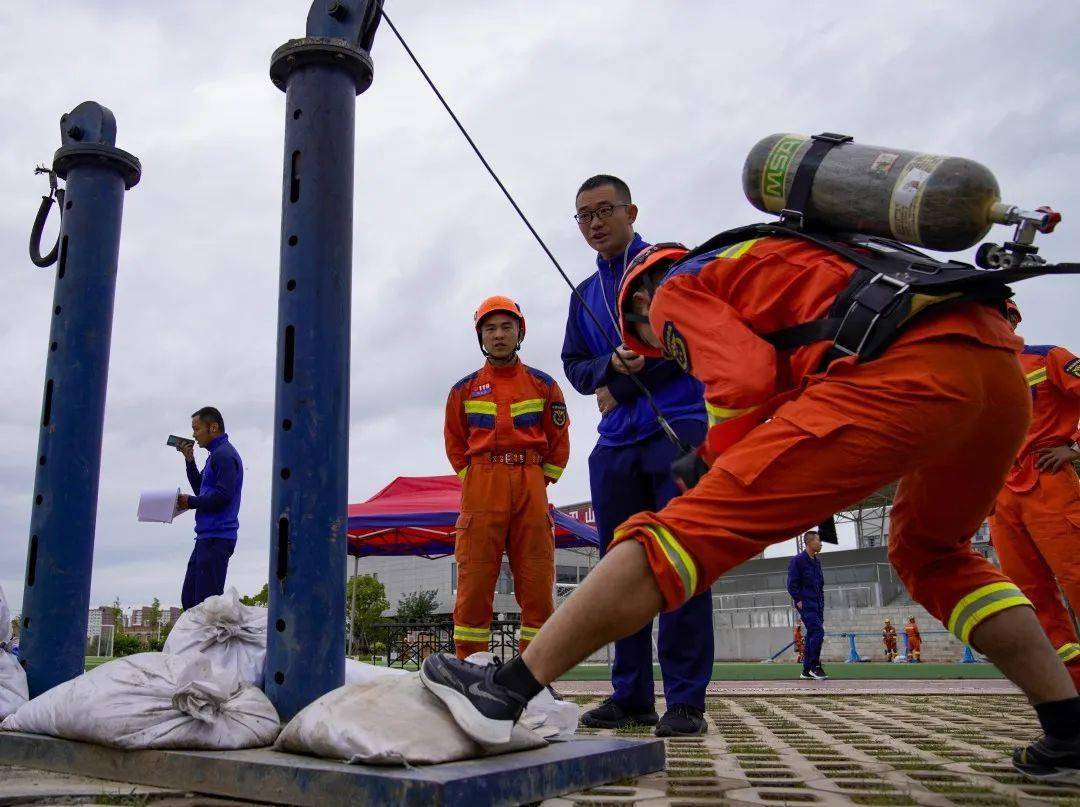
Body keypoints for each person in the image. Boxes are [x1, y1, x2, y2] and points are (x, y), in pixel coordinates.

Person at [420, 233, 1080, 784]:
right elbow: (775, 372)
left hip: (908, 373)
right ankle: (1067, 725)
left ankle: (503, 691)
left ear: (643, 297)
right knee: (934, 554)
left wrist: (715, 461)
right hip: (994, 369)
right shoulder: (781, 256)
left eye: (650, 336)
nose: (660, 346)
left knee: (672, 535)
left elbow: (743, 377)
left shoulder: (677, 285)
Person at [560, 174, 711, 737]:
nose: (595, 222)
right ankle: (630, 696)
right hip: (616, 444)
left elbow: (698, 336)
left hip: (679, 430)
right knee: (620, 568)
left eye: (604, 210)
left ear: (631, 210)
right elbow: (575, 366)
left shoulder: (667, 267)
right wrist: (605, 371)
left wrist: (626, 376)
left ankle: (688, 699)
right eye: (584, 215)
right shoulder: (582, 294)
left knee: (681, 560)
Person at [444, 296, 570, 659]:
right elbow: (455, 442)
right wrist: (477, 477)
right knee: (474, 581)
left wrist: (535, 479)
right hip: (482, 485)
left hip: (530, 483)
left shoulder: (543, 386)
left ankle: (535, 673)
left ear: (520, 333)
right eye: (490, 329)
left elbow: (559, 442)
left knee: (536, 580)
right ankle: (469, 668)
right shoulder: (462, 390)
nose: (498, 335)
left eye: (506, 327)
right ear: (480, 336)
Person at [989, 301, 1080, 689]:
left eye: (997, 315)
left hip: (1050, 484)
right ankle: (1071, 685)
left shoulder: (1049, 357)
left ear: (1012, 320)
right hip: (1000, 495)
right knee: (1029, 596)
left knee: (1076, 578)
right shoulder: (978, 375)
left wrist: (1075, 448)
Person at [175, 406, 243, 610]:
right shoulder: (215, 455)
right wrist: (189, 461)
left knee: (206, 607)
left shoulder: (224, 455)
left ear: (213, 427)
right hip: (206, 538)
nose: (193, 435)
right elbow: (201, 489)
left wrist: (191, 502)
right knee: (190, 602)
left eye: (196, 429)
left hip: (217, 537)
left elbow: (224, 495)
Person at [787, 530, 826, 679]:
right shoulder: (798, 560)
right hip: (806, 603)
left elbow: (820, 583)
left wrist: (821, 601)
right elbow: (791, 584)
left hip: (818, 603)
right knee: (818, 632)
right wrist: (798, 600)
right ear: (809, 542)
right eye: (818, 541)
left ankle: (806, 670)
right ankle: (814, 665)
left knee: (812, 634)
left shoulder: (816, 561)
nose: (821, 543)